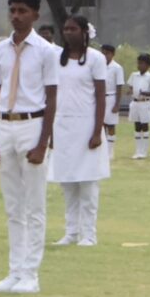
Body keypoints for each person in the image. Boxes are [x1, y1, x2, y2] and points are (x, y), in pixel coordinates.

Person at [0, 0, 59, 294]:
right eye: (12, 10)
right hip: (6, 125)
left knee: (34, 205)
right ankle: (14, 272)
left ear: (35, 15)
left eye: (22, 11)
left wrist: (43, 143)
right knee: (13, 206)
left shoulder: (46, 51)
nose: (16, 16)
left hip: (32, 123)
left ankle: (31, 274)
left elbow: (52, 98)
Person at [46, 14, 112, 248]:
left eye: (73, 29)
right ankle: (71, 232)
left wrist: (97, 131)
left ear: (85, 32)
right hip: (62, 125)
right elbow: (50, 95)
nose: (68, 33)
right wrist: (50, 132)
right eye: (65, 29)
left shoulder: (96, 58)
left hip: (86, 125)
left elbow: (101, 96)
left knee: (88, 183)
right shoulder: (56, 59)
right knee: (67, 182)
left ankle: (89, 234)